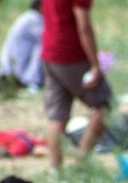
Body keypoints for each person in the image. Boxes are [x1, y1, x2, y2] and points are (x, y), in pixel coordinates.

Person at [41, 0, 113, 168]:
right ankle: (81, 162)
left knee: (57, 117)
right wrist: (95, 64)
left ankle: (55, 169)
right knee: (104, 107)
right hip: (71, 54)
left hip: (49, 52)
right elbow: (84, 27)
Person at [0, 0, 44, 91]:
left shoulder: (27, 17)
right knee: (44, 47)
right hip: (13, 72)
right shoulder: (34, 19)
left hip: (8, 70)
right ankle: (33, 82)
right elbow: (47, 37)